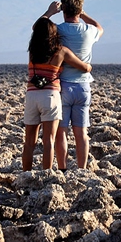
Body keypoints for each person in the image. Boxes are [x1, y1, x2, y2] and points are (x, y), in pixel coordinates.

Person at [40, 0, 103, 170]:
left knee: (62, 133)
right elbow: (100, 27)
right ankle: (82, 169)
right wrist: (83, 14)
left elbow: (38, 28)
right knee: (81, 133)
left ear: (64, 10)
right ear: (79, 10)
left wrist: (50, 12)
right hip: (83, 87)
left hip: (63, 86)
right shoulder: (88, 31)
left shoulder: (58, 30)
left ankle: (63, 168)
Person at [22, 15, 92, 171]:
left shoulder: (32, 51)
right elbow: (84, 67)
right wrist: (89, 66)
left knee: (29, 142)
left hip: (32, 95)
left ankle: (25, 176)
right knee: (49, 141)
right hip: (50, 96)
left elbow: (37, 27)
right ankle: (46, 175)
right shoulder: (61, 52)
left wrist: (49, 12)